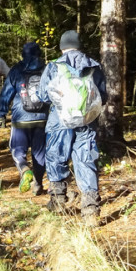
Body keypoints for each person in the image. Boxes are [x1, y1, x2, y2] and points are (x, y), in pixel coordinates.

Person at [38, 30, 106, 224]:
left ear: (62, 47)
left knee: (56, 157)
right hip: (87, 121)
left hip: (59, 121)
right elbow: (103, 96)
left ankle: (58, 201)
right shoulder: (93, 66)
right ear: (78, 45)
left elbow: (43, 95)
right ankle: (91, 211)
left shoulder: (53, 66)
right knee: (86, 159)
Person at [0, 42, 49, 195]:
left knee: (17, 150)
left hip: (20, 118)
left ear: (22, 54)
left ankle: (24, 169)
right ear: (38, 53)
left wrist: (1, 114)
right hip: (42, 118)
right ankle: (38, 184)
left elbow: (6, 93)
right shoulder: (46, 69)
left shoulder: (16, 70)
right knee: (40, 153)